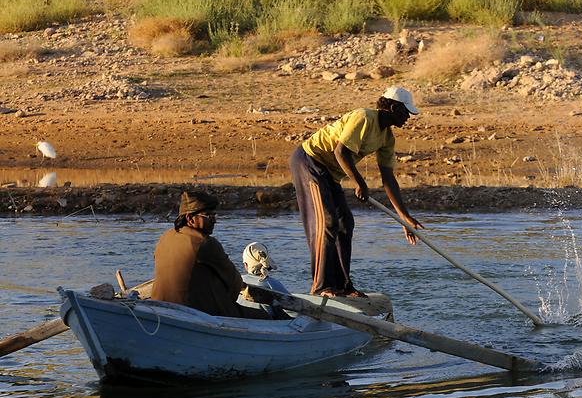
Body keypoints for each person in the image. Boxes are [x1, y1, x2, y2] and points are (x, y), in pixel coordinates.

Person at [289, 86, 423, 298]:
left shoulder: (387, 138)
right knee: (328, 221)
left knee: (345, 223)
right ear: (393, 107)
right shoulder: (364, 117)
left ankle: (343, 286)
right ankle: (321, 286)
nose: (408, 118)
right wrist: (360, 182)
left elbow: (388, 179)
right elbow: (340, 152)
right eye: (406, 112)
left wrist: (404, 217)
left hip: (331, 174)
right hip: (310, 162)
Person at [152, 190, 263, 318]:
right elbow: (234, 282)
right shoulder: (204, 243)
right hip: (194, 313)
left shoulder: (165, 237)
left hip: (159, 306)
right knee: (266, 316)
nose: (214, 221)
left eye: (214, 216)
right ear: (190, 218)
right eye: (209, 216)